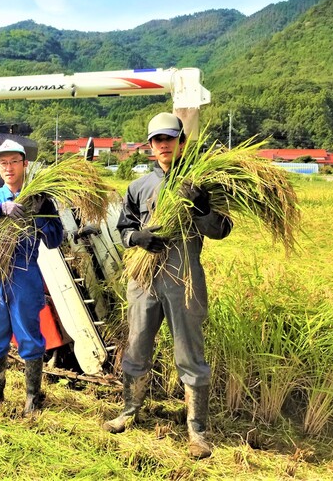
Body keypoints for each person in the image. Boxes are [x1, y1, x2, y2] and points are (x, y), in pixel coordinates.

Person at [103, 113, 232, 459]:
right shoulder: (138, 186)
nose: (163, 145)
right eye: (157, 140)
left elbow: (221, 229)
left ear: (181, 142)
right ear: (150, 145)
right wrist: (137, 238)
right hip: (143, 278)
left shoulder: (200, 181)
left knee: (189, 352)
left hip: (183, 276)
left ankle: (197, 430)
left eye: (169, 138)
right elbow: (123, 229)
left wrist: (203, 207)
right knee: (137, 345)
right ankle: (129, 412)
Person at [0, 139, 64, 416]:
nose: (9, 167)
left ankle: (33, 399)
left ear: (24, 164)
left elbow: (55, 240)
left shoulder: (40, 199)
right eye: (3, 163)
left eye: (14, 162)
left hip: (24, 274)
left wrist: (41, 214)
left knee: (30, 335)